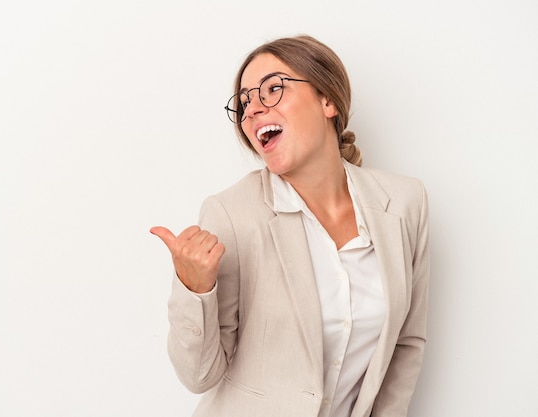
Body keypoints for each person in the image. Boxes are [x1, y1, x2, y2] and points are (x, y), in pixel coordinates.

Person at [150, 34, 429, 417]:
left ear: (327, 100)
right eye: (245, 102)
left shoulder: (404, 203)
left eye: (272, 89)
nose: (252, 111)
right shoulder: (231, 214)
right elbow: (199, 377)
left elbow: (406, 343)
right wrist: (194, 290)